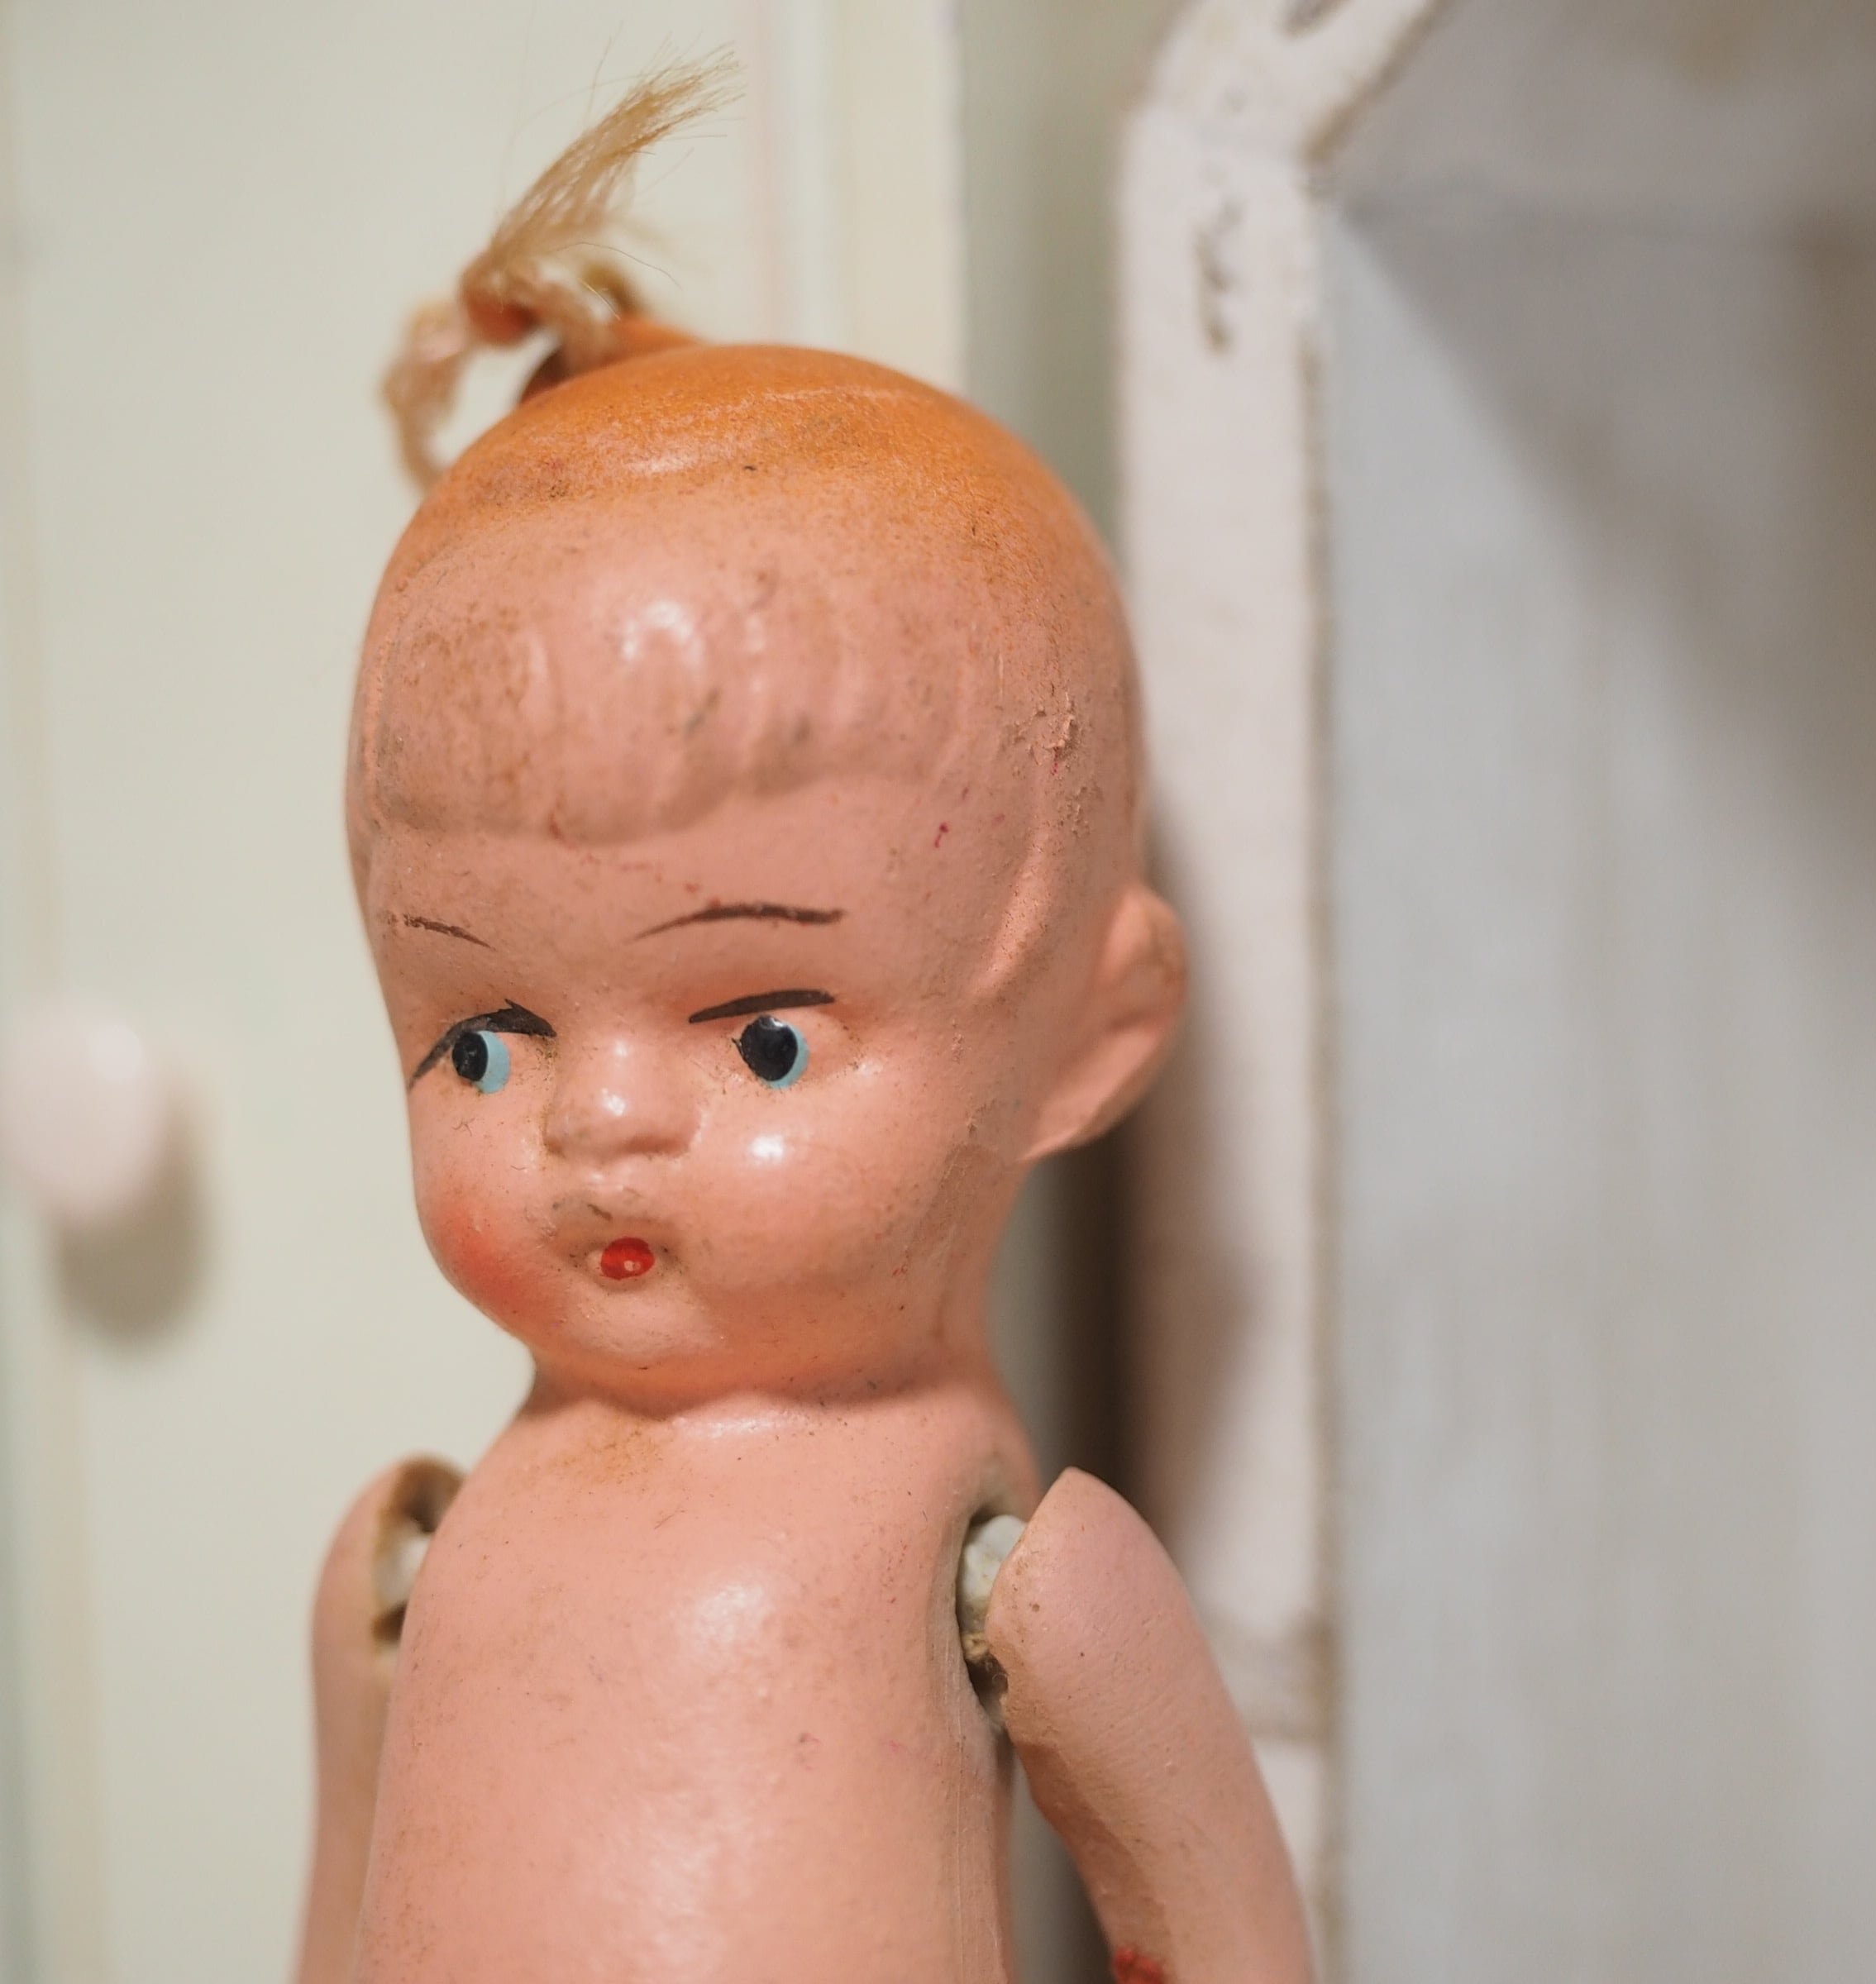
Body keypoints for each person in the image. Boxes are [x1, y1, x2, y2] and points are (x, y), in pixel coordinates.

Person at [292, 69, 1308, 1984]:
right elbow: (343, 1904)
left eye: (762, 1038)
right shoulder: (407, 1564)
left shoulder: (1019, 1580)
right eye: (485, 1039)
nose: (597, 1123)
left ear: (1091, 1036)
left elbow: (1214, 1918)